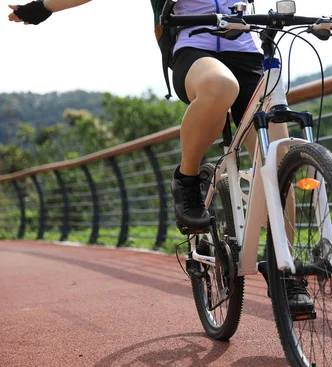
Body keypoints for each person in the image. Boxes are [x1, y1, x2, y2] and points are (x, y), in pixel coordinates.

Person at [8, 0, 313, 312]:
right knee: (221, 86)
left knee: (277, 163)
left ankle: (286, 270)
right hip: (196, 51)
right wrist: (43, 6)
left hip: (250, 51)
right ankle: (187, 179)